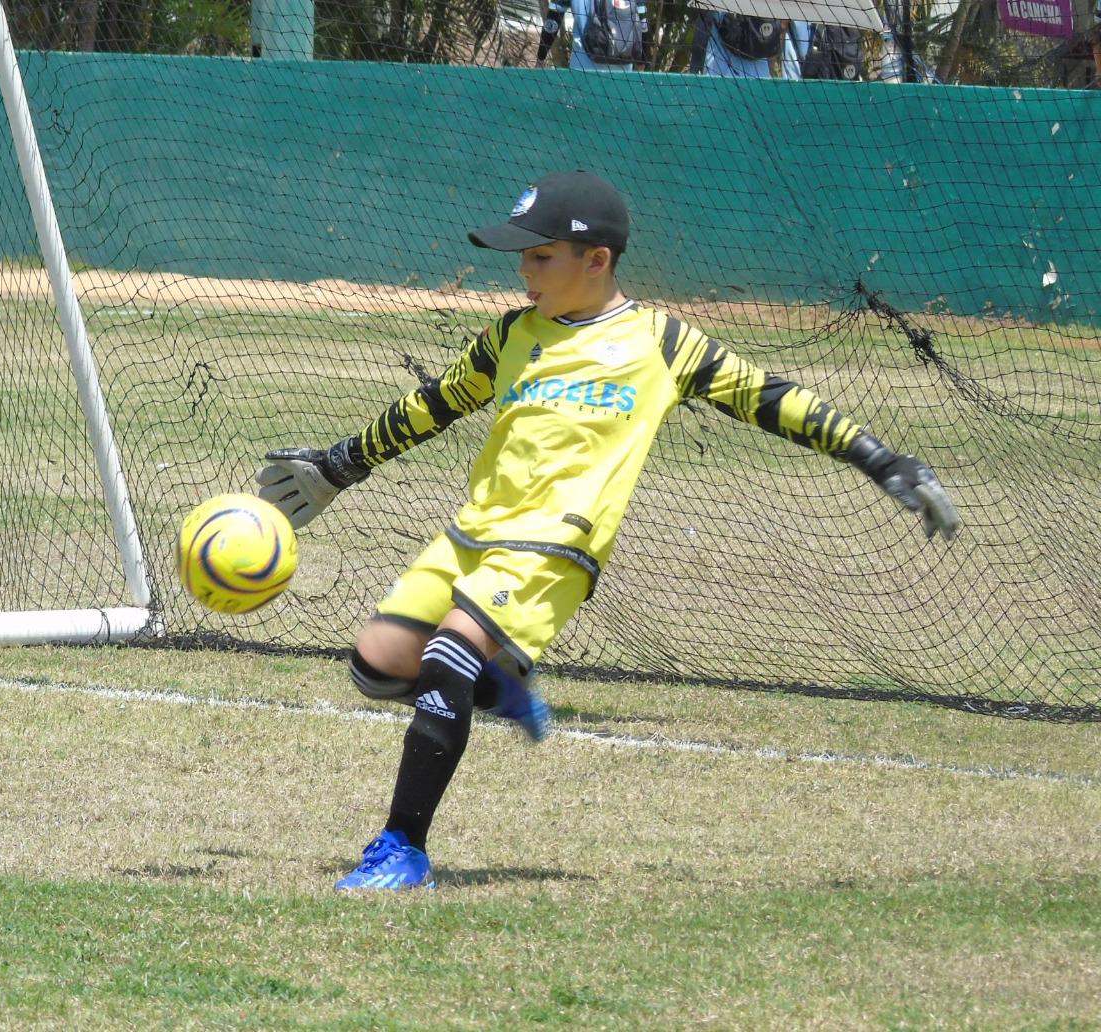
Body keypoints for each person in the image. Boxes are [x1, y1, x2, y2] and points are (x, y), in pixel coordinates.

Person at [255, 171, 959, 891]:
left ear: (597, 261)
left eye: (540, 257)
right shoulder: (510, 335)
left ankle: (402, 849)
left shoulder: (660, 342)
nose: (523, 271)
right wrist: (340, 465)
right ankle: (497, 688)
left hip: (557, 543)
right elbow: (433, 405)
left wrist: (879, 459)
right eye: (521, 258)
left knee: (446, 655)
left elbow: (770, 399)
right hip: (474, 532)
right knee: (375, 666)